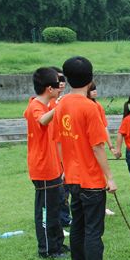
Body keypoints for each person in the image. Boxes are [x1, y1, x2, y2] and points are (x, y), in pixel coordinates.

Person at [52, 56, 120, 260]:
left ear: (67, 79)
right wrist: (109, 177)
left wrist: (64, 167)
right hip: (90, 180)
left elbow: (58, 141)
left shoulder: (60, 105)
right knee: (93, 231)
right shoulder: (90, 108)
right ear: (91, 79)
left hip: (71, 178)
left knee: (79, 226)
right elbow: (97, 146)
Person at [23, 67, 67, 259]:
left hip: (53, 166)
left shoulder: (47, 105)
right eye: (58, 85)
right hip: (42, 168)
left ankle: (58, 244)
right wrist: (59, 107)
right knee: (46, 213)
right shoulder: (35, 106)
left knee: (56, 208)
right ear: (49, 88)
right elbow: (41, 121)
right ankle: (47, 250)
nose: (61, 88)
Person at [88, 83, 116, 216]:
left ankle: (102, 207)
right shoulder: (86, 106)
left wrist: (111, 146)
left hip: (98, 147)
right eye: (91, 90)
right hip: (87, 150)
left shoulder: (97, 106)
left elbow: (104, 127)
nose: (94, 92)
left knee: (101, 178)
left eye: (95, 89)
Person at [50, 66, 72, 228]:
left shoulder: (64, 101)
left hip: (67, 149)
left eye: (63, 80)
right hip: (54, 153)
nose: (61, 83)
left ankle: (64, 218)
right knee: (58, 191)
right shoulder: (49, 103)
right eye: (58, 80)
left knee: (65, 190)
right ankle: (59, 219)